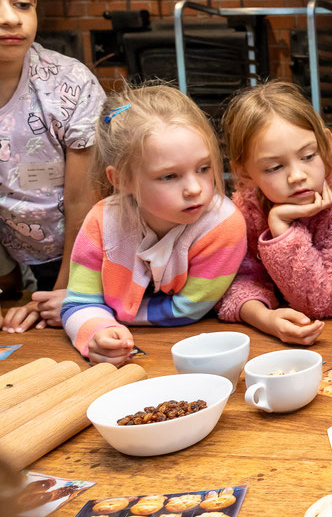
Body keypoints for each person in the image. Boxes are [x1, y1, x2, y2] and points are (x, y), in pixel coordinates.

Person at [60, 85, 246, 364]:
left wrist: (111, 315)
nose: (195, 188)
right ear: (120, 180)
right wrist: (97, 332)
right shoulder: (101, 221)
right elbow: (80, 303)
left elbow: (189, 308)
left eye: (203, 168)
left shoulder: (224, 226)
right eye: (170, 176)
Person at [0, 0, 104, 333]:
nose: (11, 18)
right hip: (13, 255)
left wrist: (65, 291)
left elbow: (83, 200)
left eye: (22, 3)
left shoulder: (67, 83)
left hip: (80, 254)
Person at [216, 81, 332, 345]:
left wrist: (281, 228)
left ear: (326, 144)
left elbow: (323, 301)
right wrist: (265, 319)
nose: (297, 176)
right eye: (274, 167)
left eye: (308, 156)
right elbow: (234, 282)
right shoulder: (245, 206)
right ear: (244, 172)